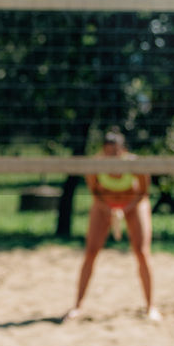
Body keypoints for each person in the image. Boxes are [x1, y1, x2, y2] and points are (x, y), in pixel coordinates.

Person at [68, 131, 158, 320]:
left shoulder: (134, 164)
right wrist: (108, 209)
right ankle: (77, 306)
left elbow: (143, 193)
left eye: (115, 152)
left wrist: (126, 209)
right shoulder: (95, 166)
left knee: (141, 251)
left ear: (122, 151)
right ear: (103, 151)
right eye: (108, 152)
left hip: (134, 205)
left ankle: (151, 307)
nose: (111, 156)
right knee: (91, 251)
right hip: (104, 206)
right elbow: (94, 193)